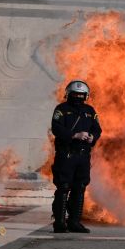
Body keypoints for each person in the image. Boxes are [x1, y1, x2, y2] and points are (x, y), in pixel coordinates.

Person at [50, 80, 102, 233]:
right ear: (68, 94)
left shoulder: (90, 111)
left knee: (80, 187)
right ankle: (59, 222)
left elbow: (97, 128)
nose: (78, 97)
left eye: (81, 95)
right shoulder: (61, 109)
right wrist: (75, 135)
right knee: (64, 187)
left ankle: (74, 222)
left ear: (86, 96)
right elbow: (56, 128)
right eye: (75, 94)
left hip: (83, 155)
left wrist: (93, 137)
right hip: (66, 154)